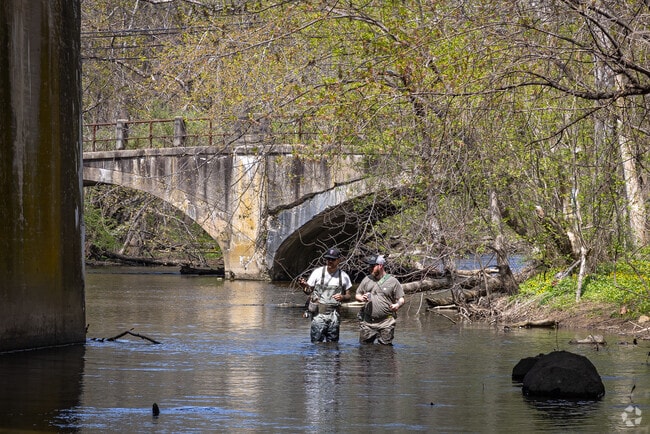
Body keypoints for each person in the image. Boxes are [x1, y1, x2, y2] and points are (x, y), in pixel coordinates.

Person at [298, 247, 353, 343]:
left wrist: (342, 297)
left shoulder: (344, 276)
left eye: (333, 259)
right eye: (328, 259)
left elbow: (349, 295)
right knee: (316, 344)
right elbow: (308, 291)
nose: (330, 261)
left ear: (338, 260)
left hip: (334, 316)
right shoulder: (317, 272)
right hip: (318, 315)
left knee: (333, 345)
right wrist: (303, 286)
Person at [355, 254, 405, 345]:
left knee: (385, 352)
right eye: (369, 265)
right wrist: (361, 298)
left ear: (380, 266)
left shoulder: (393, 281)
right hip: (368, 322)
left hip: (386, 323)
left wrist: (397, 305)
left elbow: (401, 299)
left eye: (372, 266)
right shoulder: (366, 279)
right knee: (364, 352)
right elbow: (357, 294)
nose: (369, 268)